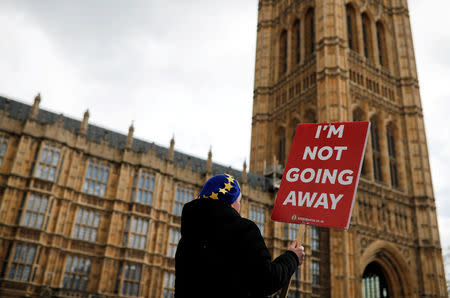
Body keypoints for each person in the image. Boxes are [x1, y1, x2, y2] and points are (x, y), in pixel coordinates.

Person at [175, 174, 305, 298]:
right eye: (239, 201)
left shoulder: (186, 240)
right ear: (231, 203)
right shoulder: (243, 230)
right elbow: (267, 280)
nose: (240, 206)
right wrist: (292, 257)